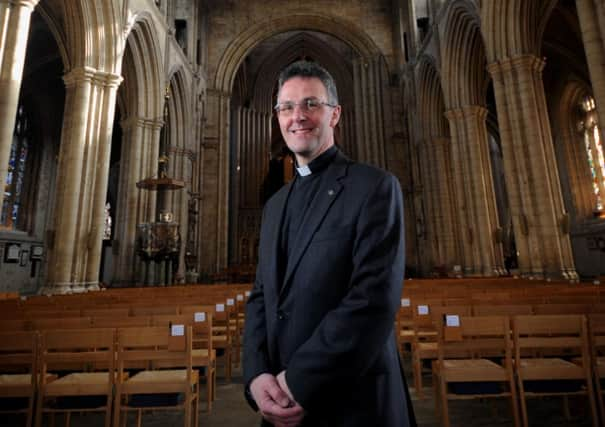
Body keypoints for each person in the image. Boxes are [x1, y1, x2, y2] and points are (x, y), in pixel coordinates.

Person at [243, 60, 415, 427]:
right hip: (280, 406)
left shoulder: (374, 187)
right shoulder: (274, 205)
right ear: (277, 117)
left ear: (334, 115)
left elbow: (372, 301)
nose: (297, 116)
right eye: (286, 107)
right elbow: (261, 296)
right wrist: (257, 377)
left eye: (310, 104)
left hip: (355, 403)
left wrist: (299, 382)